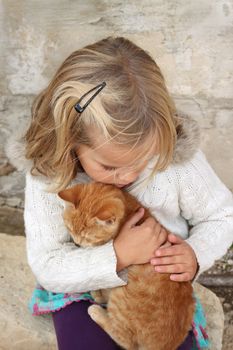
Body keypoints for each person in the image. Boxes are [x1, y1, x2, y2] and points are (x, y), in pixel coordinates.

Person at [11, 37, 233, 349]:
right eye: (109, 166)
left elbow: (223, 215)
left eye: (141, 162)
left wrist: (195, 253)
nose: (127, 176)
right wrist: (118, 256)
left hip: (157, 293)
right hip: (81, 286)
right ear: (70, 140)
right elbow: (48, 264)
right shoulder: (52, 175)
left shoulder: (177, 160)